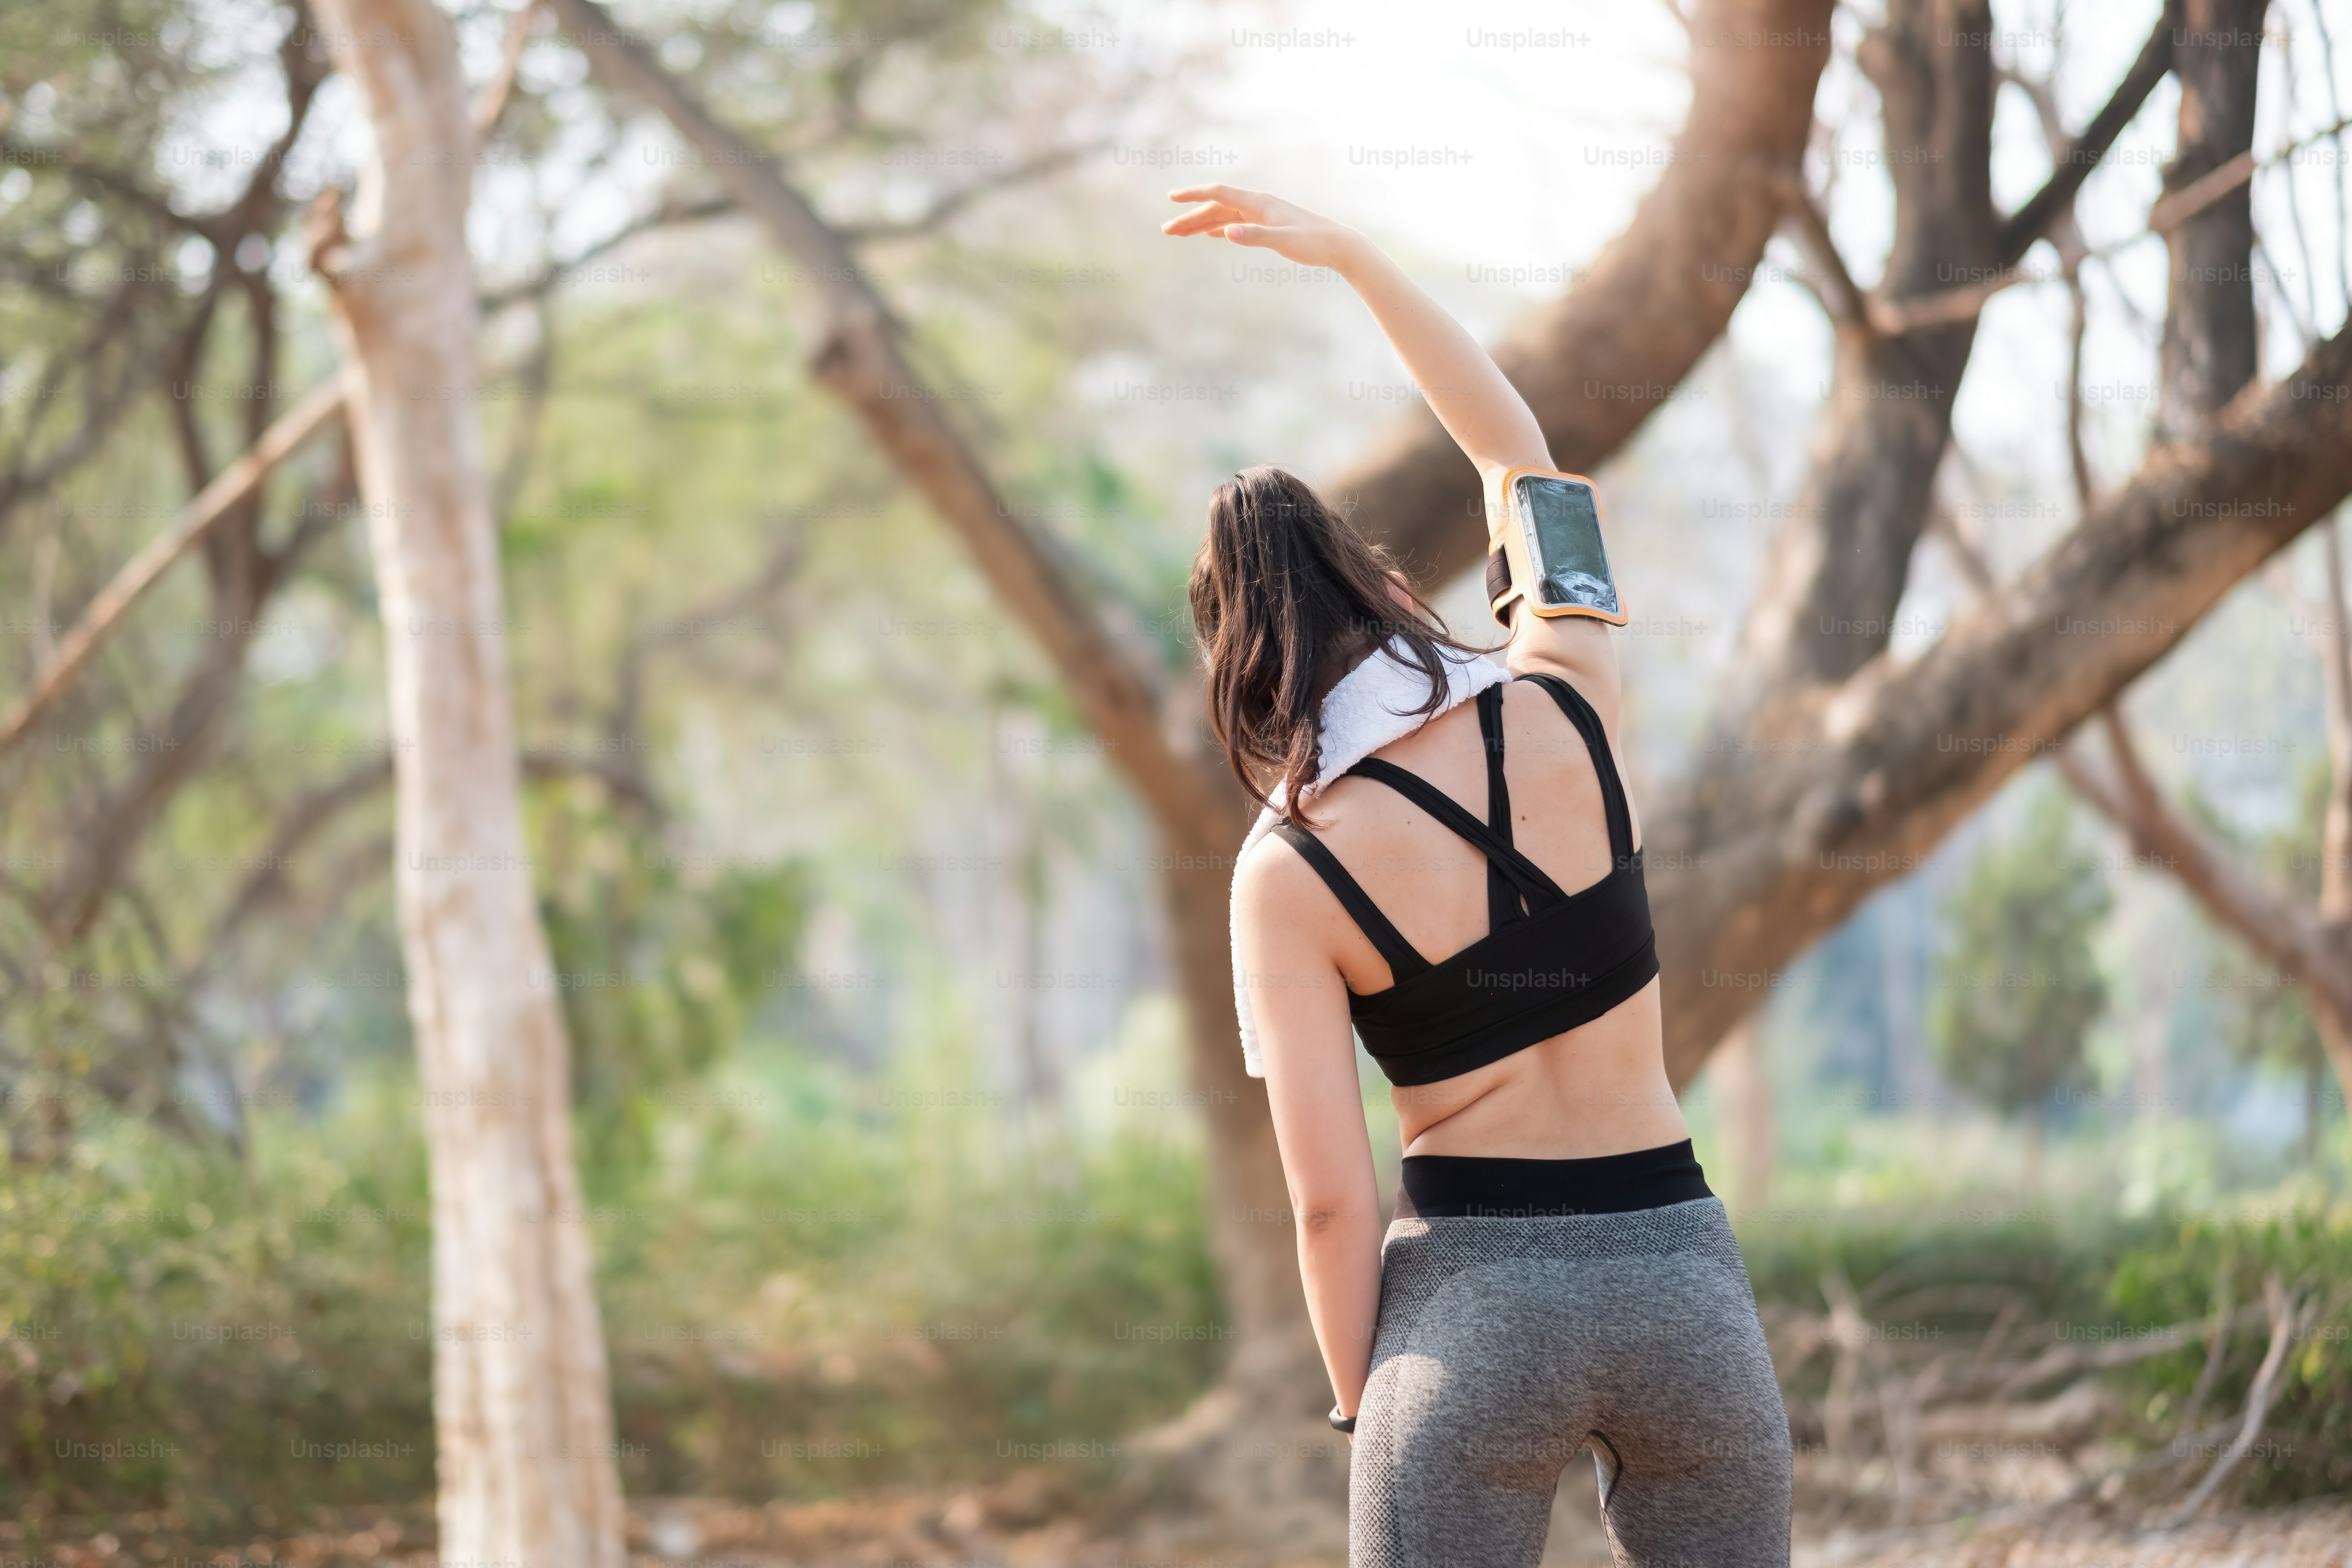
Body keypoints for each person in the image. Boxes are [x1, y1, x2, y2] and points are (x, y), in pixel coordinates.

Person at [1164, 185, 1792, 1568]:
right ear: (1373, 575)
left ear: (1238, 660)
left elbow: (1329, 1201)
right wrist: (1355, 259)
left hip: (1472, 1313)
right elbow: (1517, 448)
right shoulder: (1570, 688)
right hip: (1682, 1280)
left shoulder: (1289, 870)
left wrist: (1361, 1402)